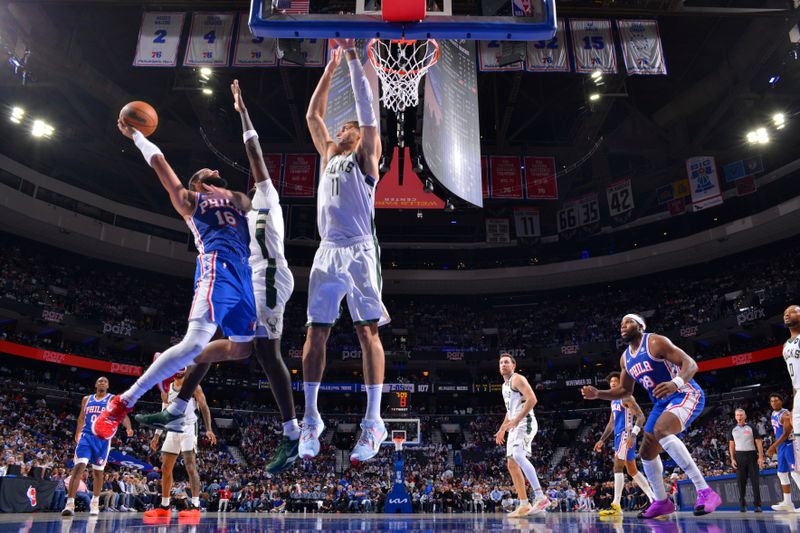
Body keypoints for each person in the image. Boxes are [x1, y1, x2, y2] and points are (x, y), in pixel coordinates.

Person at [138, 80, 300, 474]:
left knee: (264, 352)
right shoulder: (222, 214)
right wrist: (197, 183)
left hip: (271, 275)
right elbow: (194, 201)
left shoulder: (263, 198)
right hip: (244, 278)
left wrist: (243, 111)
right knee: (221, 346)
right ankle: (177, 405)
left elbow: (254, 152)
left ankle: (292, 433)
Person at [92, 114, 258, 438]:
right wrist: (137, 136)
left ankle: (180, 370)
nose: (218, 171)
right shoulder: (190, 202)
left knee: (242, 349)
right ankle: (124, 402)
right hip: (217, 269)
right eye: (211, 172)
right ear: (198, 184)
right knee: (196, 341)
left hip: (244, 276)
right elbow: (159, 162)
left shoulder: (236, 206)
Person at [301, 39, 390, 463]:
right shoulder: (328, 155)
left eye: (345, 130)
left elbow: (368, 113)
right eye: (338, 131)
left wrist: (354, 59)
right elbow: (312, 115)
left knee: (365, 331)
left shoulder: (367, 156)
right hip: (327, 250)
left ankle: (373, 421)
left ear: (358, 136)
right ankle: (311, 418)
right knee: (315, 331)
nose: (338, 132)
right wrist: (330, 67)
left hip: (358, 250)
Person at [581, 313, 721, 519]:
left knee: (661, 430)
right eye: (621, 323)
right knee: (646, 452)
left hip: (685, 393)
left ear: (640, 326)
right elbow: (624, 391)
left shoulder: (655, 341)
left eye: (628, 322)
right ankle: (662, 501)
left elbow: (690, 364)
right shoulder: (625, 359)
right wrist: (598, 394)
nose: (623, 326)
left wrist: (676, 383)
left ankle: (705, 491)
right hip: (661, 403)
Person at [144, 368, 216, 519]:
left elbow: (204, 406)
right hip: (172, 428)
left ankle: (195, 507)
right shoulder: (167, 388)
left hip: (189, 427)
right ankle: (165, 506)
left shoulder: (194, 385)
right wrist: (157, 435)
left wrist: (209, 429)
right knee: (165, 467)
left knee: (190, 465)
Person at [62, 377, 133, 516]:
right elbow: (82, 417)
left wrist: (128, 428)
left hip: (102, 439)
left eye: (105, 381)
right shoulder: (86, 399)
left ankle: (94, 502)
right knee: (79, 467)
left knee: (98, 472)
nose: (102, 383)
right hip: (86, 436)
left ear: (108, 385)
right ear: (95, 384)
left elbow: (123, 415)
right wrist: (77, 433)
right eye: (99, 381)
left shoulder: (112, 399)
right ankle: (70, 504)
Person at [494, 353, 549, 517]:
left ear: (513, 366)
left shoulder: (518, 379)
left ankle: (540, 497)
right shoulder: (504, 386)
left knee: (518, 455)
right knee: (511, 464)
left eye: (506, 362)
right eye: (501, 362)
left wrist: (517, 420)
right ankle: (524, 504)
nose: (503, 364)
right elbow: (509, 411)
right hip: (514, 425)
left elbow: (532, 399)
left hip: (525, 422)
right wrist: (502, 429)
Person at [594, 371, 655, 516]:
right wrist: (601, 440)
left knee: (617, 466)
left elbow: (641, 416)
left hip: (626, 435)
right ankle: (654, 498)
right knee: (632, 470)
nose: (613, 383)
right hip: (618, 435)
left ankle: (616, 504)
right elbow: (611, 423)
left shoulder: (626, 397)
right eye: (611, 382)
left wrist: (633, 434)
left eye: (616, 381)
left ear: (621, 383)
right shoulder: (613, 400)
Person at [767, 393, 800, 511]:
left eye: (776, 400)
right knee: (781, 473)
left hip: (789, 445)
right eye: (772, 401)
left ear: (781, 401)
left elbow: (786, 434)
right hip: (781, 448)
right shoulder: (773, 414)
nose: (774, 403)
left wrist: (773, 446)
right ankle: (787, 502)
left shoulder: (785, 415)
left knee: (795, 473)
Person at [728, 407, 763, 512]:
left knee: (755, 481)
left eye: (741, 415)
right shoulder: (732, 429)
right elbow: (731, 445)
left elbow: (759, 442)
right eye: (737, 415)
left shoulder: (751, 427)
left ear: (745, 416)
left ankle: (757, 505)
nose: (739, 417)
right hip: (739, 456)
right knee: (741, 482)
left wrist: (761, 457)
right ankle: (742, 505)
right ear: (735, 417)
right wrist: (732, 459)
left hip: (752, 455)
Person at [781, 305, 800, 465]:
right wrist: (794, 405)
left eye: (792, 312)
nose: (787, 315)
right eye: (785, 314)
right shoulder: (786, 346)